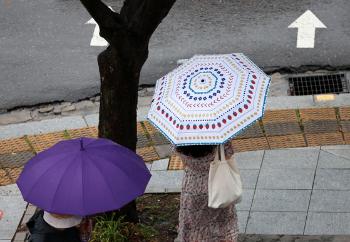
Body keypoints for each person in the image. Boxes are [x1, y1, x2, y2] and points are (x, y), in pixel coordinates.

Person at [175, 142, 239, 242]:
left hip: (192, 186)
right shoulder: (219, 139)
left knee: (195, 223)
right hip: (218, 184)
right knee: (222, 221)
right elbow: (228, 155)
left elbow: (184, 163)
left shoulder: (181, 140)